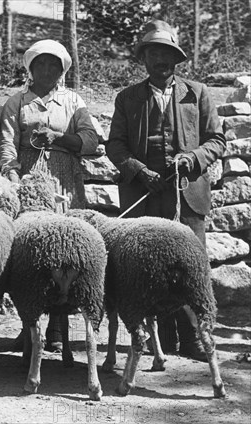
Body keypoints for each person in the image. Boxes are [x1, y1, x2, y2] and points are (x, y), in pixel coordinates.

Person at [106, 20, 226, 361]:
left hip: (187, 195)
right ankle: (158, 340)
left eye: (169, 54)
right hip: (145, 195)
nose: (163, 60)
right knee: (149, 267)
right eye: (156, 53)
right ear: (144, 59)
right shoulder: (127, 98)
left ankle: (193, 339)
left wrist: (193, 157)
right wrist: (139, 170)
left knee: (190, 267)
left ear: (177, 60)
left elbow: (216, 140)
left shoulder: (198, 94)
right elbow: (115, 145)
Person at [0, 40, 98, 351]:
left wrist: (60, 137)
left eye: (53, 65)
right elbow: (7, 143)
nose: (47, 70)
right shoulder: (18, 103)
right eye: (40, 64)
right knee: (29, 252)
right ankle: (30, 326)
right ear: (31, 68)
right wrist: (12, 173)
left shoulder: (72, 101)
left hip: (64, 179)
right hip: (30, 181)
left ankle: (58, 327)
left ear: (62, 70)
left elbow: (91, 140)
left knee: (63, 250)